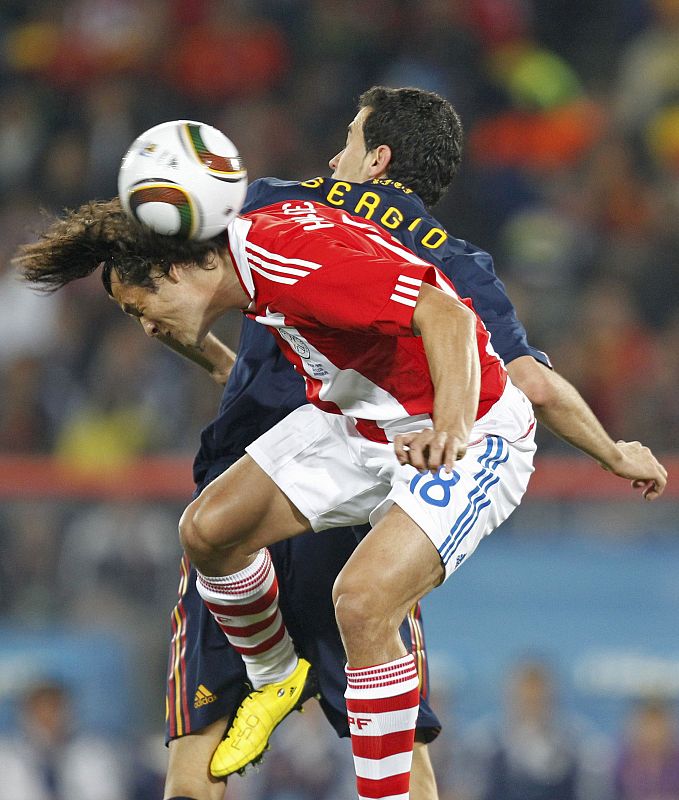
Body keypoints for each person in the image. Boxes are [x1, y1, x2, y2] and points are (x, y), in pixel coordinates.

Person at [16, 88, 667, 800]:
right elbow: (529, 370)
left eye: (349, 139)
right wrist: (611, 451)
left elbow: (447, 319)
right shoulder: (280, 227)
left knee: (360, 601)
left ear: (377, 158)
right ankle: (275, 678)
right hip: (350, 421)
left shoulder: (289, 235)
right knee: (206, 529)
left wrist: (454, 431)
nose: (332, 158)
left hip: (465, 434)